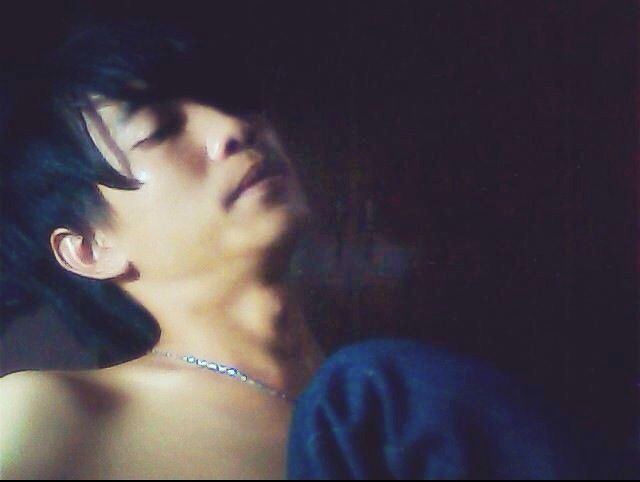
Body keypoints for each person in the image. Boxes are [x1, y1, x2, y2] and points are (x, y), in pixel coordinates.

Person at [0, 20, 589, 480]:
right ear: (89, 249)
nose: (234, 129)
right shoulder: (53, 412)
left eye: (233, 104)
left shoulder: (408, 407)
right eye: (159, 129)